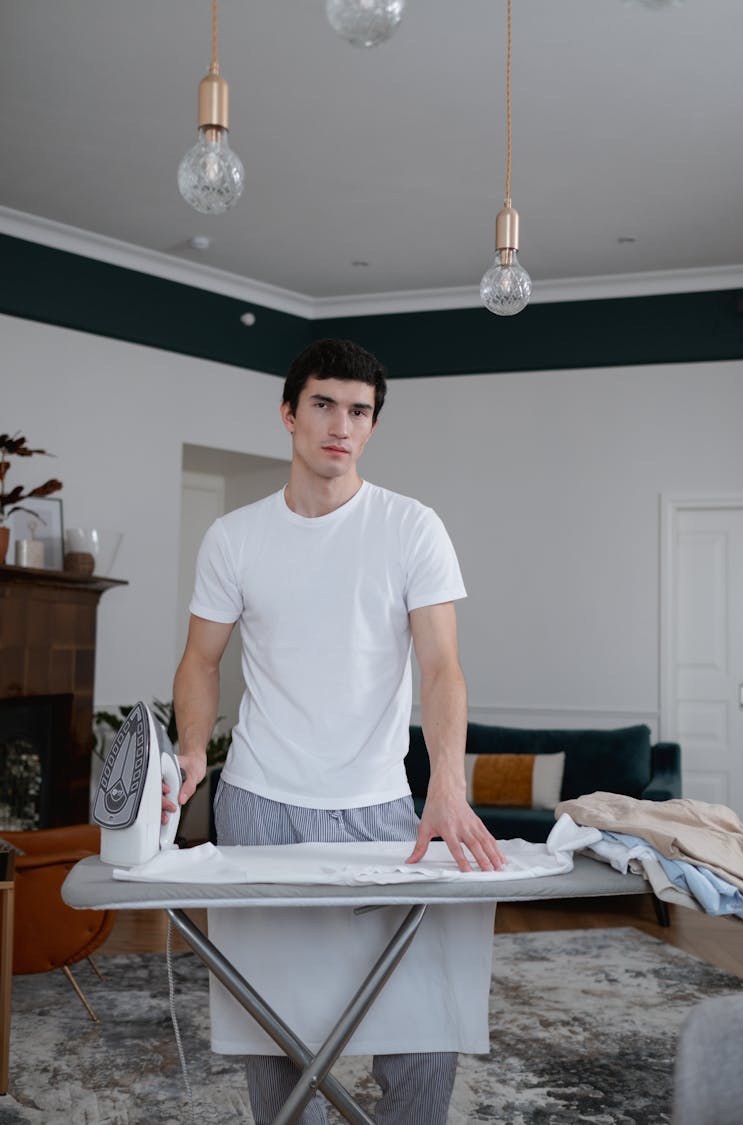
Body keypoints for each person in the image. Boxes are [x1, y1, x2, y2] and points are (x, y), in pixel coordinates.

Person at [171, 337, 505, 1125]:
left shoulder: (411, 527)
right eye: (323, 403)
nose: (340, 424)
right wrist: (191, 747)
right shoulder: (235, 537)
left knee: (424, 1021)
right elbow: (200, 660)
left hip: (377, 805)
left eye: (359, 411)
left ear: (371, 426)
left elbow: (442, 668)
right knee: (270, 1020)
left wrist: (447, 785)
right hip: (257, 803)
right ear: (290, 412)